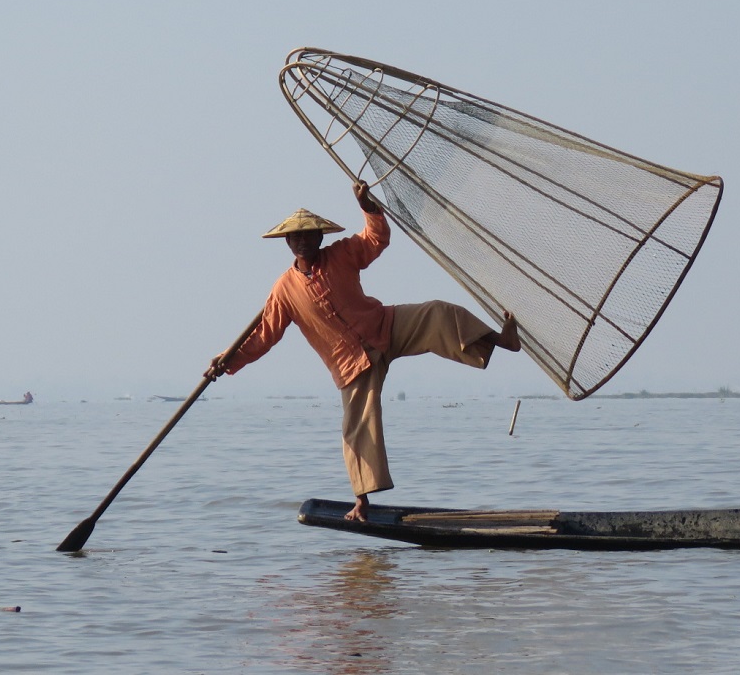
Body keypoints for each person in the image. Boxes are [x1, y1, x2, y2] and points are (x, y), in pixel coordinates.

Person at [208, 181, 519, 522]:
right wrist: (227, 360)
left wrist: (368, 207)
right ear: (287, 243)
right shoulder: (284, 290)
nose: (302, 241)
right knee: (357, 428)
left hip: (384, 327)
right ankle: (362, 502)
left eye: (309, 235)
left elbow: (375, 240)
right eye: (296, 237)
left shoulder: (341, 253)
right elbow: (264, 334)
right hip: (350, 363)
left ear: (320, 237)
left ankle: (503, 340)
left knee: (439, 312)